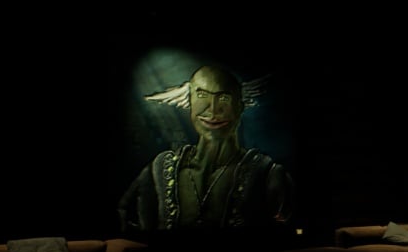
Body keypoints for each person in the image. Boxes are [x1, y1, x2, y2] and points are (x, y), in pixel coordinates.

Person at [118, 64, 295, 233]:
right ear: (190, 101)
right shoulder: (160, 169)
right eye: (202, 95)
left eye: (224, 98)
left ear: (239, 107)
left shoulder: (267, 174)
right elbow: (126, 217)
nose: (213, 109)